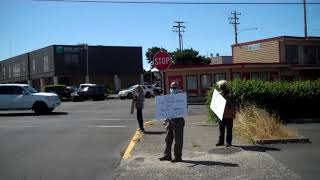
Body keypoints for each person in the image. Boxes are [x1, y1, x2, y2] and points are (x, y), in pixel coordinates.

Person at [159, 81, 185, 163]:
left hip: (178, 120)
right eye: (171, 87)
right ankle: (167, 155)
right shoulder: (169, 97)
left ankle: (178, 156)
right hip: (170, 120)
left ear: (178, 88)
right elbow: (168, 109)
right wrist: (166, 118)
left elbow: (184, 109)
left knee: (178, 139)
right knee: (168, 138)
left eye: (174, 87)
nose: (172, 89)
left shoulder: (181, 97)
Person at [215, 80, 235, 147]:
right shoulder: (220, 94)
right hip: (222, 114)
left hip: (228, 114)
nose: (220, 88)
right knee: (221, 129)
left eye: (220, 86)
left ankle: (228, 142)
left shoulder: (229, 94)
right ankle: (221, 142)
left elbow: (230, 103)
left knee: (228, 129)